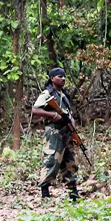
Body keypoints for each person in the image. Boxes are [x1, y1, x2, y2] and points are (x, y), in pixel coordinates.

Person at [31, 67, 78, 201]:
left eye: (64, 76)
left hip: (66, 132)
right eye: (59, 76)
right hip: (54, 132)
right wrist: (52, 115)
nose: (63, 79)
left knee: (70, 162)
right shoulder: (47, 94)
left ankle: (73, 193)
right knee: (51, 160)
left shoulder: (64, 95)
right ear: (52, 79)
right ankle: (45, 192)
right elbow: (35, 110)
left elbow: (69, 114)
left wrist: (73, 128)